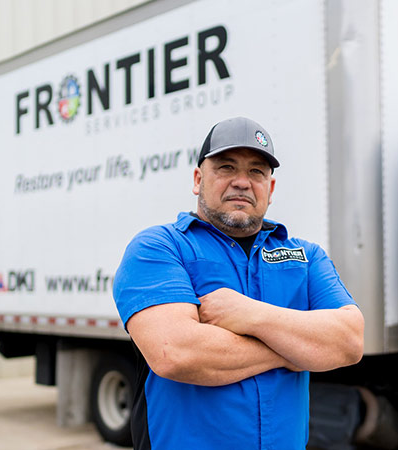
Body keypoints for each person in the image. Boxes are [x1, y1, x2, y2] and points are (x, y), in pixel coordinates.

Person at [113, 117, 365, 449]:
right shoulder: (159, 248)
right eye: (227, 168)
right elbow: (175, 353)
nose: (242, 182)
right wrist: (299, 349)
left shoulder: (306, 257)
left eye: (256, 172)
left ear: (270, 189)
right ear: (198, 179)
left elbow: (349, 341)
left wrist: (250, 315)